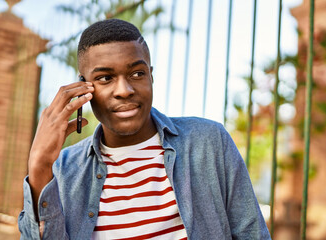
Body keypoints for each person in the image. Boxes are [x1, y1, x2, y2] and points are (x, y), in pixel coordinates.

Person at [18, 18, 271, 240]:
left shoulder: (209, 142)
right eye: (105, 78)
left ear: (151, 76)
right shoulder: (64, 170)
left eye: (137, 73)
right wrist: (39, 167)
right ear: (83, 88)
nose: (124, 90)